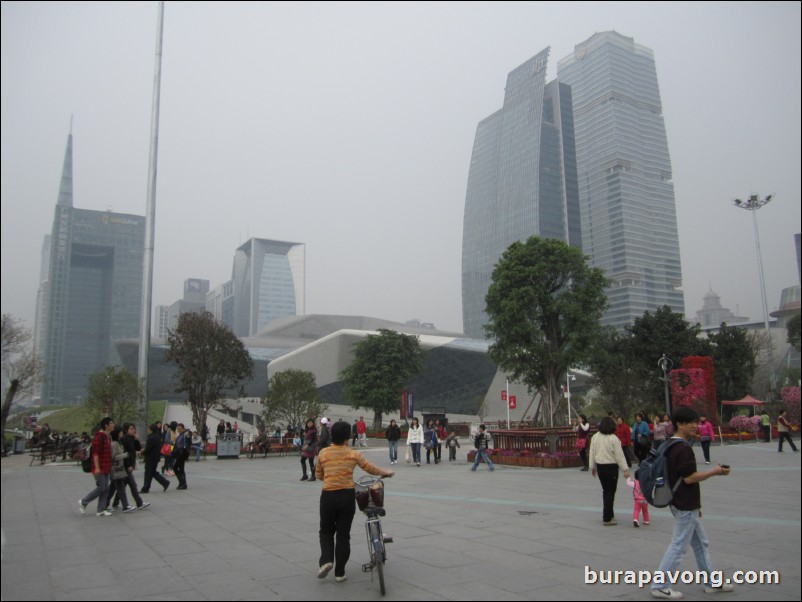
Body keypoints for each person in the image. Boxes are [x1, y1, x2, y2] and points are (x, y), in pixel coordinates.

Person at [650, 406, 733, 599]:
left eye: (696, 422)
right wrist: (715, 471)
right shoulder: (683, 448)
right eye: (692, 423)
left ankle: (711, 582)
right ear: (680, 424)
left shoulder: (670, 444)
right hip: (684, 503)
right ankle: (660, 585)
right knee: (679, 545)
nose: (696, 426)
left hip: (682, 502)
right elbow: (688, 478)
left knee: (700, 543)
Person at [315, 420, 394, 583]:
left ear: (332, 435)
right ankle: (339, 573)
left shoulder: (323, 453)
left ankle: (326, 561)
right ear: (347, 436)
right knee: (343, 535)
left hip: (328, 496)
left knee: (326, 531)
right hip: (347, 496)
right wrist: (385, 472)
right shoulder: (353, 454)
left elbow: (318, 475)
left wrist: (330, 476)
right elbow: (369, 468)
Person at [588, 416, 630, 525]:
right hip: (611, 467)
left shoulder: (595, 437)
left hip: (600, 467)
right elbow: (619, 456)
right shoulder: (613, 438)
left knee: (606, 491)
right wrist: (625, 469)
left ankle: (610, 514)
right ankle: (607, 517)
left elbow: (592, 452)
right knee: (610, 492)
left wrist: (592, 467)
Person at [79, 417, 114, 517]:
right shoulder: (99, 436)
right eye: (111, 423)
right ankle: (84, 501)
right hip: (99, 466)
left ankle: (101, 509)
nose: (113, 425)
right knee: (102, 487)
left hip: (107, 465)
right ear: (106, 425)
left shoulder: (108, 436)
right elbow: (95, 453)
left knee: (106, 488)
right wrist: (97, 467)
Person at [113, 423, 149, 510]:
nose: (133, 430)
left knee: (122, 485)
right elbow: (125, 453)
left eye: (134, 429)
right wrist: (128, 465)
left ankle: (115, 502)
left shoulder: (132, 438)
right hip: (125, 465)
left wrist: (136, 439)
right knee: (133, 484)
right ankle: (139, 503)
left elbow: (138, 448)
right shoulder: (124, 439)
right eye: (131, 429)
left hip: (130, 464)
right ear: (126, 430)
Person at [107, 425, 135, 513]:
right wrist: (125, 455)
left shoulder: (118, 442)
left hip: (120, 468)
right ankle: (125, 506)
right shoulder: (113, 444)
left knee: (113, 488)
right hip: (116, 468)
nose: (122, 433)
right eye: (120, 432)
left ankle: (105, 504)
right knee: (120, 487)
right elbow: (113, 457)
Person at [140, 423, 170, 493]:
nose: (148, 430)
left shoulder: (151, 438)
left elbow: (148, 449)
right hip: (155, 458)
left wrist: (142, 452)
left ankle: (146, 488)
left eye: (148, 429)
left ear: (151, 429)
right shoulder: (157, 437)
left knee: (148, 473)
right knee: (152, 472)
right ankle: (165, 482)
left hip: (150, 458)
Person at [171, 423, 190, 490]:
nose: (179, 430)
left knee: (176, 467)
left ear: (183, 428)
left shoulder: (185, 435)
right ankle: (182, 483)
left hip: (182, 454)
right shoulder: (181, 435)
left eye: (180, 429)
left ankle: (183, 483)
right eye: (178, 429)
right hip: (179, 454)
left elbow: (187, 444)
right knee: (179, 468)